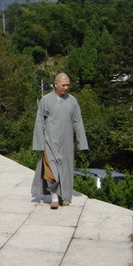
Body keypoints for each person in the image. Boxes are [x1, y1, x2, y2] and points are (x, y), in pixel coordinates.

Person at [31, 73, 88, 209]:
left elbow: (78, 122)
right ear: (55, 84)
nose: (66, 88)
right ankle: (54, 197)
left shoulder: (72, 101)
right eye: (63, 85)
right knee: (51, 169)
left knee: (66, 169)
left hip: (67, 140)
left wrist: (82, 142)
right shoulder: (46, 100)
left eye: (68, 85)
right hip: (49, 140)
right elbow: (39, 121)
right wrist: (39, 142)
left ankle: (65, 196)